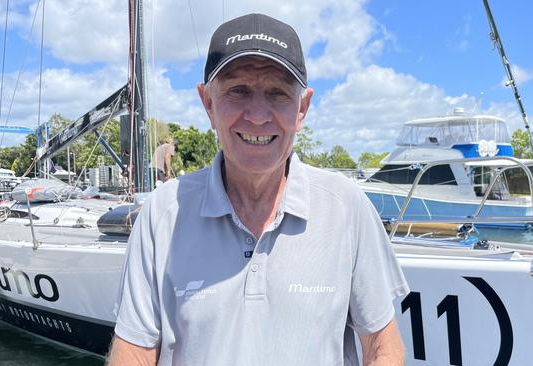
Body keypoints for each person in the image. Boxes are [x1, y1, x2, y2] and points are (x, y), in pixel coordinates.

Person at [108, 13, 409, 365]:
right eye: (238, 90)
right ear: (208, 103)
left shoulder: (347, 207)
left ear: (302, 108)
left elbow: (383, 346)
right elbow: (133, 353)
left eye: (278, 93)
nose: (257, 115)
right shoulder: (162, 213)